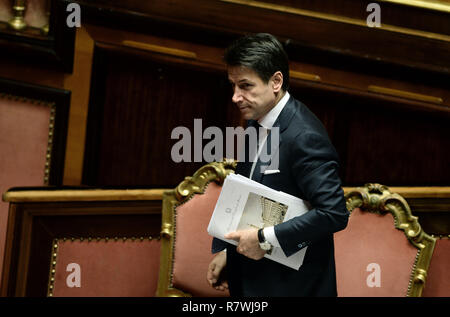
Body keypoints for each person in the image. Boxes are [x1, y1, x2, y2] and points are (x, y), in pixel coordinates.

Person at [206, 33, 349, 296]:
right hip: (254, 280)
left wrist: (263, 239)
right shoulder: (257, 119)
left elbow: (334, 214)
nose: (236, 97)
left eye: (246, 86)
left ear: (276, 81)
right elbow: (252, 189)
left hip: (294, 288)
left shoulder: (305, 137)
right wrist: (230, 252)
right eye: (233, 86)